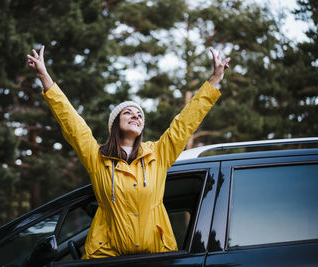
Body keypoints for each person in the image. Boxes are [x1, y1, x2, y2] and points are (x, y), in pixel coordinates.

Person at [27, 46, 230, 259]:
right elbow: (71, 122)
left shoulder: (158, 154)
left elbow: (187, 122)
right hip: (107, 259)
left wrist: (215, 79)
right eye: (128, 112)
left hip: (155, 257)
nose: (136, 116)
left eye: (140, 114)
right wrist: (44, 76)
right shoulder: (97, 158)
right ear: (115, 123)